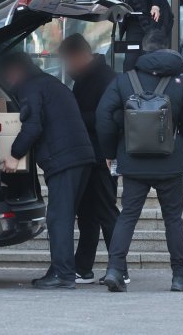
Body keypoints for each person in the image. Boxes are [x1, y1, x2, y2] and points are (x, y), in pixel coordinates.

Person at [96, 31, 183, 293]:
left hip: (133, 162)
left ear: (144, 51)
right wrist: (178, 145)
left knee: (128, 216)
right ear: (166, 50)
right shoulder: (181, 83)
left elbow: (103, 117)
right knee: (173, 220)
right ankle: (180, 277)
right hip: (169, 164)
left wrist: (111, 150)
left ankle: (115, 270)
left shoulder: (124, 81)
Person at [0, 52, 96, 290]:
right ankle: (60, 268)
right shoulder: (50, 83)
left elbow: (32, 127)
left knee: (58, 218)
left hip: (64, 158)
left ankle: (63, 274)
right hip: (81, 156)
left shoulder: (29, 87)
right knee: (64, 215)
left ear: (15, 71)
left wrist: (13, 155)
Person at [56, 33, 120, 284]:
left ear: (80, 56)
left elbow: (108, 119)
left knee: (105, 211)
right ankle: (83, 267)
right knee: (88, 214)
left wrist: (74, 118)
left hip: (101, 156)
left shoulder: (103, 79)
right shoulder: (89, 77)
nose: (67, 68)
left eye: (68, 61)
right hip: (88, 155)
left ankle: (119, 267)